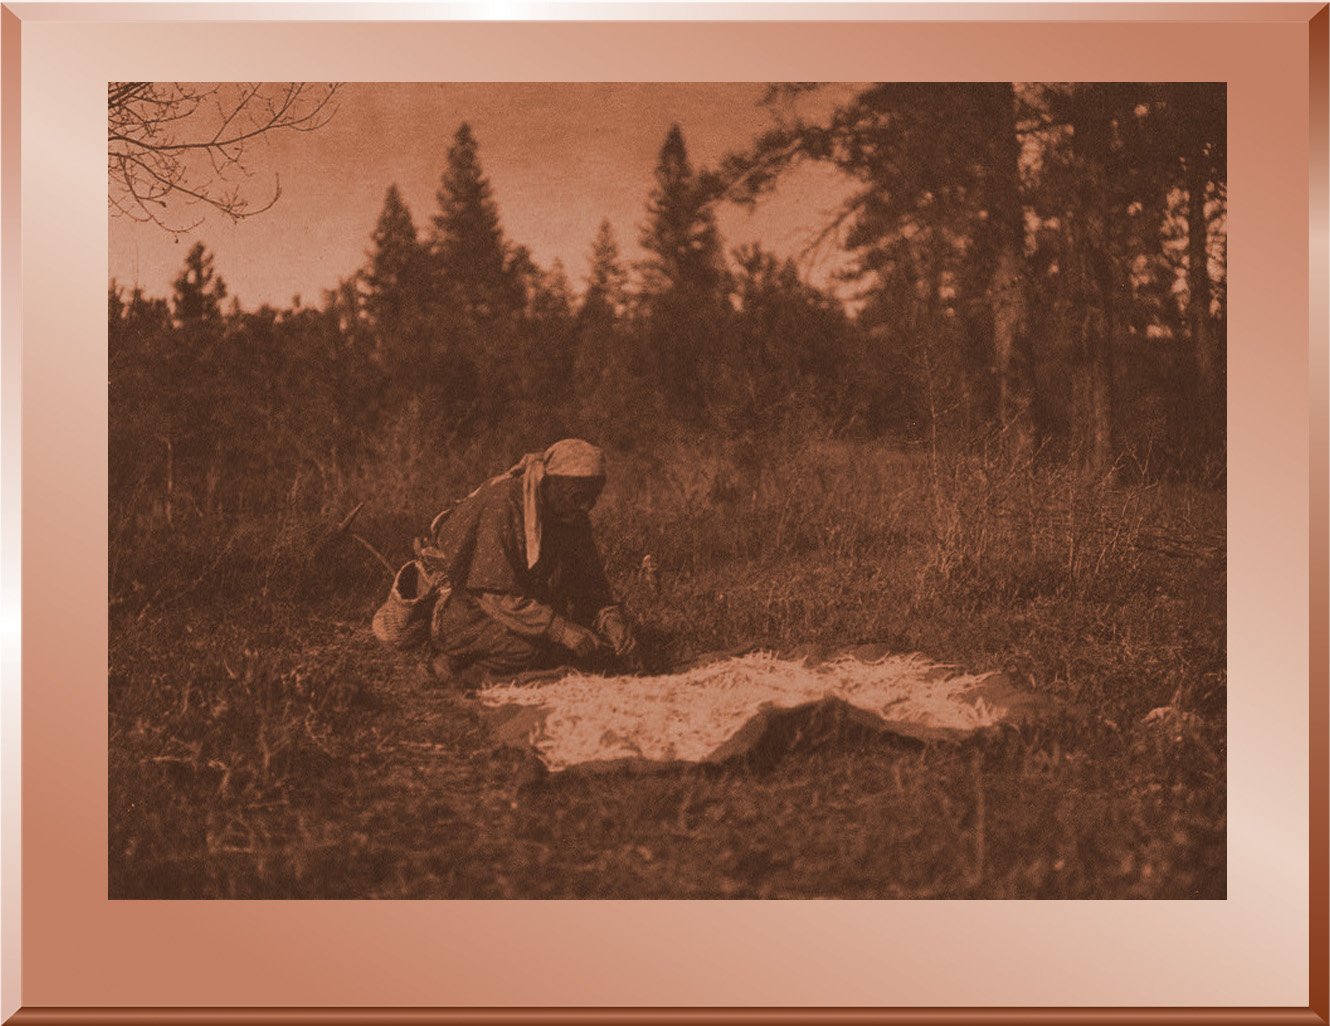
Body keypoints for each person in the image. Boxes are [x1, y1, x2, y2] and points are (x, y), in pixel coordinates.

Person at [374, 438, 637, 685]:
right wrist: (561, 630)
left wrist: (612, 621)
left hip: (521, 607)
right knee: (533, 648)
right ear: (550, 483)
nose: (586, 506)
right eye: (578, 496)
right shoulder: (505, 504)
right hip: (465, 607)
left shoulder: (574, 519)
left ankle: (490, 661)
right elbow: (493, 594)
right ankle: (460, 669)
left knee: (584, 647)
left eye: (593, 498)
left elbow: (592, 587)